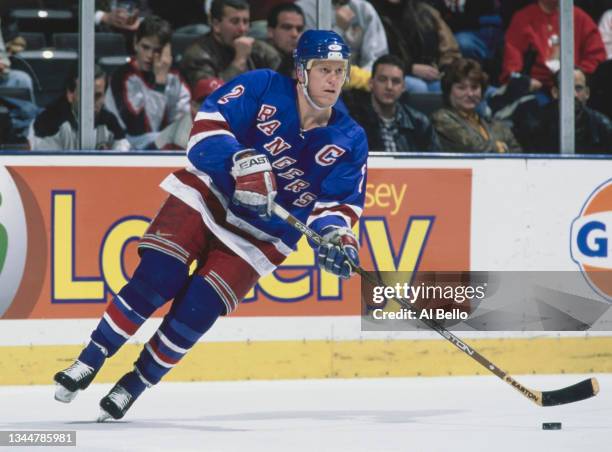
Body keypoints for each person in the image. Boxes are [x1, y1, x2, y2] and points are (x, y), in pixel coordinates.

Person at [53, 30, 368, 421]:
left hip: (262, 237)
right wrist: (240, 161)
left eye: (340, 70)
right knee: (159, 276)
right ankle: (92, 356)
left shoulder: (350, 139)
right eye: (324, 69)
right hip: (208, 197)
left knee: (197, 310)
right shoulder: (262, 86)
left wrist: (338, 238)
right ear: (301, 71)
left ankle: (135, 383)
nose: (334, 80)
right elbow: (205, 131)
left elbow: (337, 204)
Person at [105, 15, 191, 150]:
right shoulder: (122, 76)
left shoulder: (175, 75)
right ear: (135, 43)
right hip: (129, 147)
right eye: (145, 47)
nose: (150, 55)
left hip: (166, 146)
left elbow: (182, 120)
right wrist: (160, 84)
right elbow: (140, 130)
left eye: (157, 50)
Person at [501, 0, 606, 92]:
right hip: (537, 90)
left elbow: (597, 55)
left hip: (573, 88)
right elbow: (512, 62)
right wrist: (525, 82)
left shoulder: (580, 18)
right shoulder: (522, 18)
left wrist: (579, 75)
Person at [345, 54, 440, 152]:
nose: (389, 87)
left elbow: (435, 163)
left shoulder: (420, 123)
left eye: (396, 81)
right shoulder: (354, 122)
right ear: (371, 83)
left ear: (403, 87)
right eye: (382, 80)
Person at [180, 0, 282, 86]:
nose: (242, 29)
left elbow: (282, 78)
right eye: (235, 21)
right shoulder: (197, 56)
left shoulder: (258, 48)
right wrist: (240, 60)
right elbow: (214, 96)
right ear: (216, 25)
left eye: (245, 22)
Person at [28, 65, 129, 151]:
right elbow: (47, 167)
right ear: (70, 94)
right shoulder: (47, 123)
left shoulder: (110, 122)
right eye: (86, 96)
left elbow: (123, 158)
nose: (91, 103)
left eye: (98, 96)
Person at [432, 58, 522, 153]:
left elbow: (517, 152)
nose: (470, 94)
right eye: (461, 88)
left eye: (474, 87)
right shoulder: (441, 118)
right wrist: (499, 147)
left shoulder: (495, 125)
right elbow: (472, 148)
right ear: (449, 91)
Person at [514, 67, 612, 154]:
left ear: (587, 93)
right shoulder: (534, 126)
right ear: (555, 92)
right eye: (567, 88)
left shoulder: (603, 127)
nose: (574, 94)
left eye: (578, 88)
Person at [153, 77, 224, 150]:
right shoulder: (184, 138)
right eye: (209, 104)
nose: (216, 109)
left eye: (222, 102)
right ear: (193, 106)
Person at [267, 2, 305, 78]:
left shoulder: (305, 61)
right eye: (287, 27)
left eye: (299, 29)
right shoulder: (256, 58)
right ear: (270, 31)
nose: (295, 34)